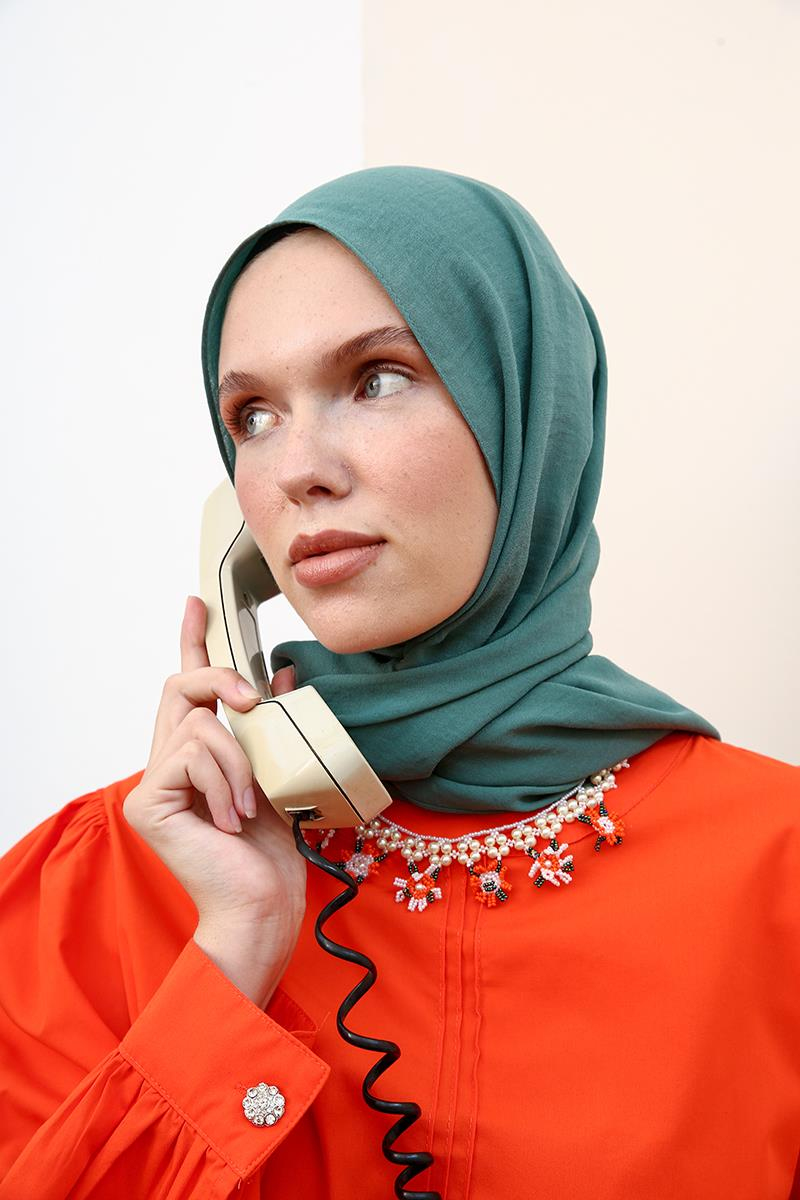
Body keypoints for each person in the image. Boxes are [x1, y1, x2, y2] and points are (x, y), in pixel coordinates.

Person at [1, 165, 798, 1200]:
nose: (297, 470)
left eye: (377, 378)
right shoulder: (87, 891)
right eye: (251, 416)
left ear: (526, 411)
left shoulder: (773, 873)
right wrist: (228, 959)